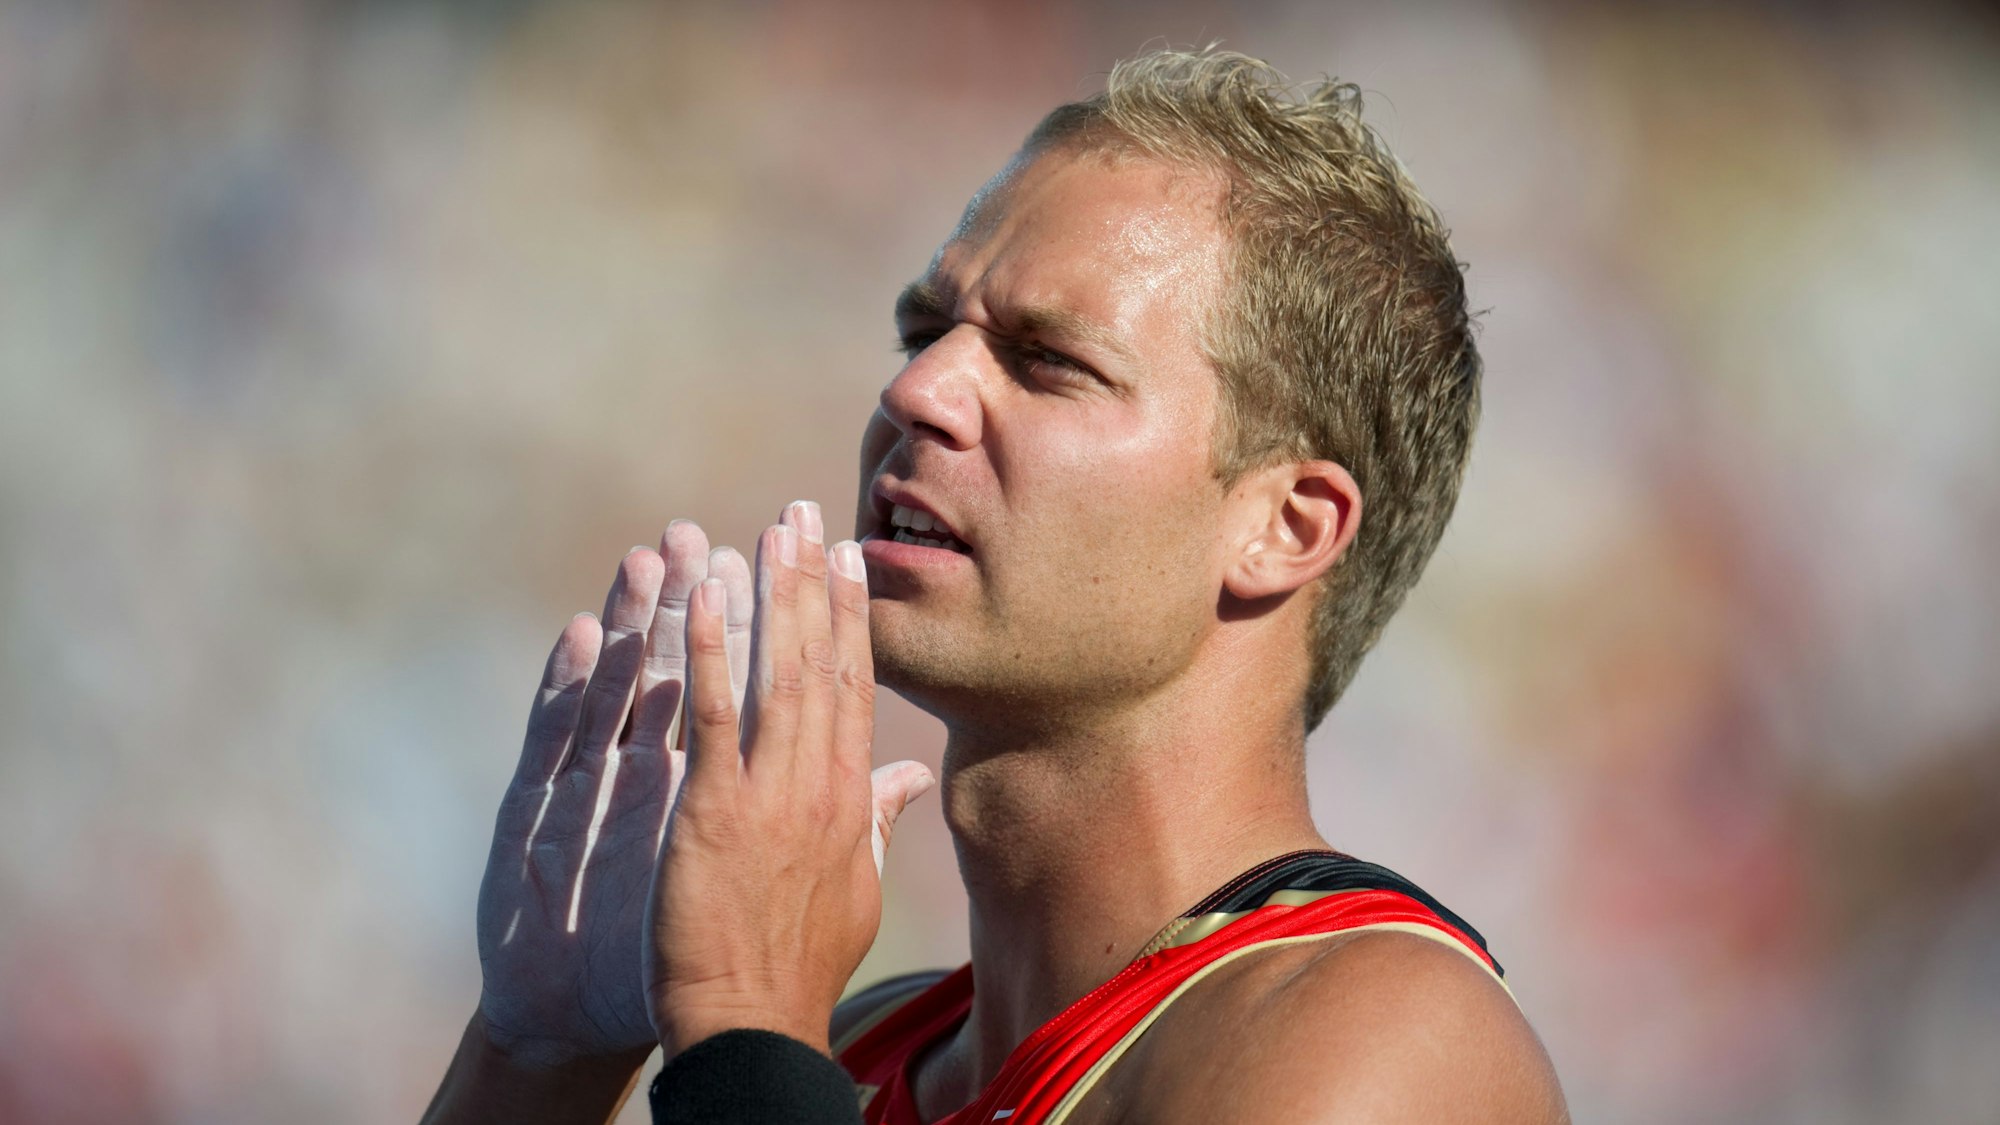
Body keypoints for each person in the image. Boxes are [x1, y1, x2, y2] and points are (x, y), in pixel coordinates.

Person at [423, 48, 1568, 1124]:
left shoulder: (1384, 1037)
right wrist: (540, 1062)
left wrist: (741, 1034)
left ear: (1283, 526)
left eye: (1046, 361)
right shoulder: (861, 1046)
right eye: (925, 329)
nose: (918, 390)